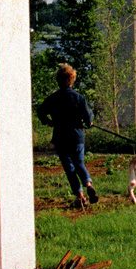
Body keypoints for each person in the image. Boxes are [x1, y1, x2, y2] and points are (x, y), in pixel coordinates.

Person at [36, 63, 99, 207]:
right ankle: (88, 184)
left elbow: (40, 112)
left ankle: (80, 196)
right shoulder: (79, 98)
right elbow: (89, 119)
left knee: (69, 168)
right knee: (79, 163)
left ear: (58, 80)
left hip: (60, 137)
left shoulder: (53, 98)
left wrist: (48, 122)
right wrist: (88, 123)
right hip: (77, 137)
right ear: (72, 80)